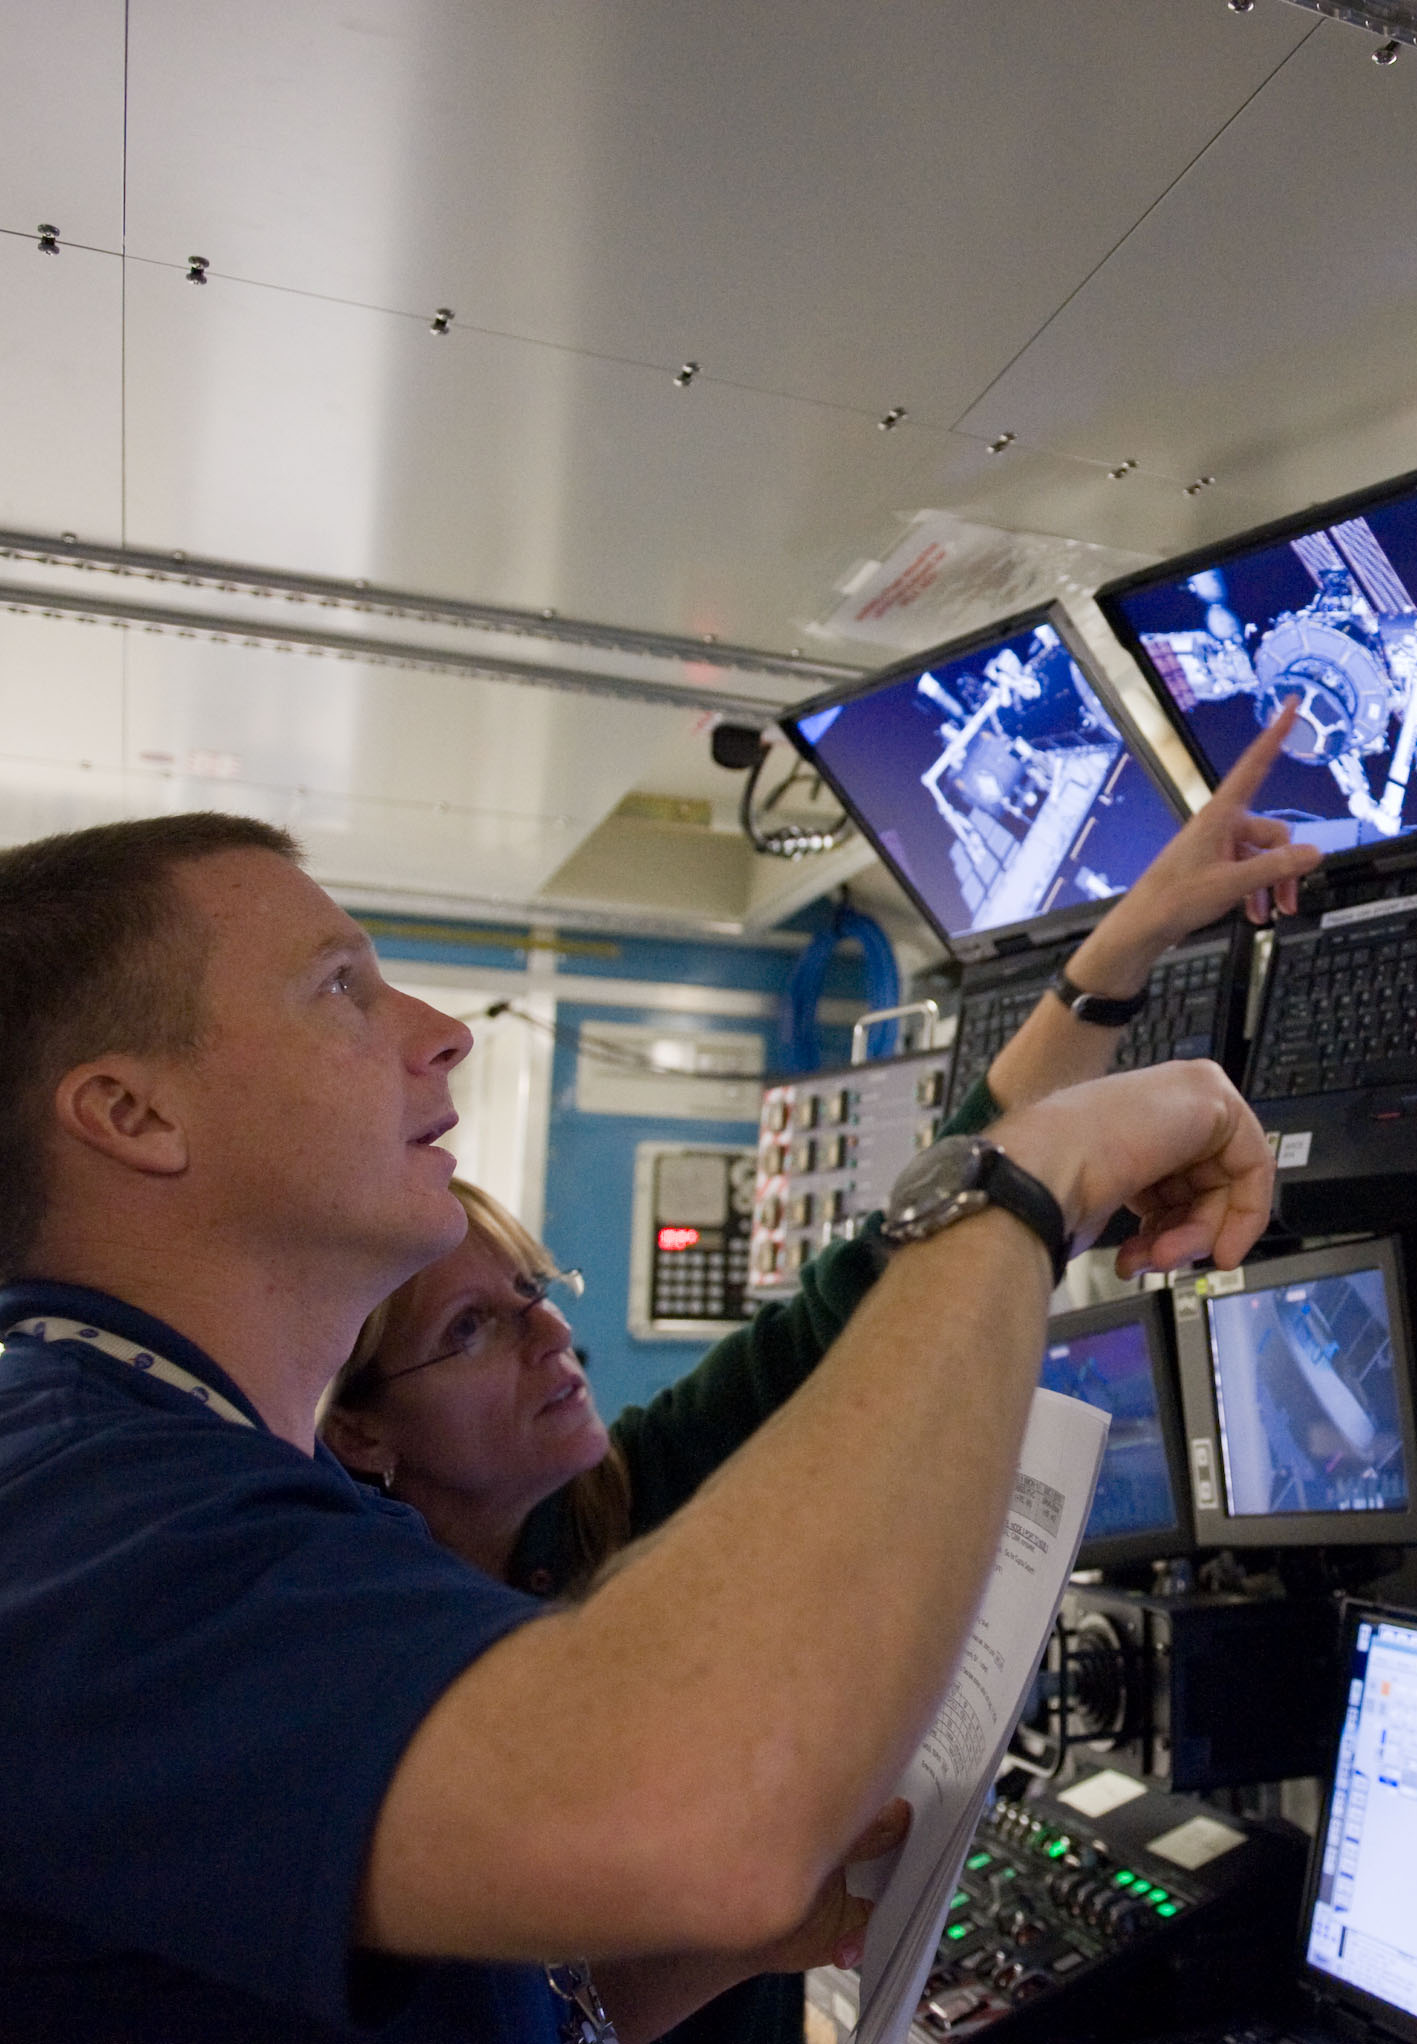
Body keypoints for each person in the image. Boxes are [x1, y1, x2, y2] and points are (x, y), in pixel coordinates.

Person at [0, 751, 1300, 2040]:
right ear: (131, 1114)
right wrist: (1026, 1195)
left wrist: (678, 1959)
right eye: (342, 988)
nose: (436, 1035)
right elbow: (708, 1811)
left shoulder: (178, 1492)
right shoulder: (76, 1557)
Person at [313, 720, 1317, 2042]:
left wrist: (1121, 950)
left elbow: (904, 1237)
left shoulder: (610, 1498)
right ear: (364, 1435)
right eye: (474, 1334)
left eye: (534, 1296)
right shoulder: (376, 1660)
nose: (550, 1340)